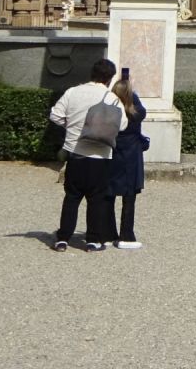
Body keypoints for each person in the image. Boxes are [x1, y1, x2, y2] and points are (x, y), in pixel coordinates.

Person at [49, 57, 127, 252]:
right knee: (97, 200)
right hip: (101, 155)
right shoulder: (112, 98)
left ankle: (63, 238)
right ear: (109, 78)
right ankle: (92, 240)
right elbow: (123, 124)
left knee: (72, 197)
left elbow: (55, 115)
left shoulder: (73, 92)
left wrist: (73, 127)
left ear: (91, 73)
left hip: (76, 152)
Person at [107, 75, 148, 250]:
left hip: (114, 153)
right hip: (131, 155)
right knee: (129, 197)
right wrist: (133, 96)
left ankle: (108, 233)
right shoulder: (136, 112)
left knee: (108, 195)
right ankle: (126, 235)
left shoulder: (110, 112)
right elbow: (141, 110)